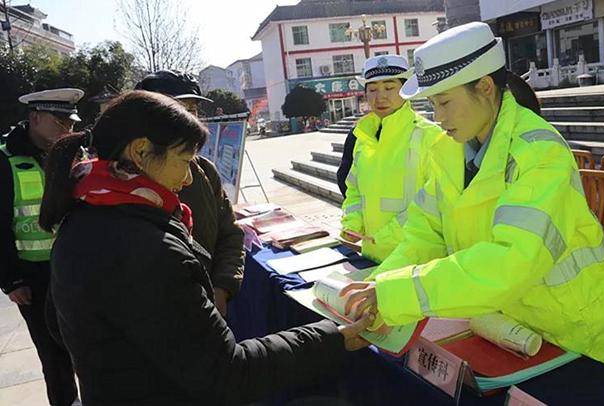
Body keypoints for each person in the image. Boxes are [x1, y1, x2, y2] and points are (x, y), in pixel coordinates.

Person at [341, 22, 604, 375]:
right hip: (509, 332)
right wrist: (378, 290)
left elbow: (510, 260)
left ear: (484, 87)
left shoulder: (539, 152)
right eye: (434, 105)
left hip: (577, 338)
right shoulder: (449, 151)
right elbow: (424, 234)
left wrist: (396, 295)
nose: (440, 118)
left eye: (446, 102)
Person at [39, 90, 372, 405]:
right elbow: (229, 374)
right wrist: (333, 337)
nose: (187, 180)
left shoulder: (81, 214)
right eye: (184, 161)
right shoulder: (150, 250)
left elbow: (57, 325)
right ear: (140, 151)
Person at [135, 70, 244, 315]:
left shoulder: (205, 171)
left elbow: (230, 234)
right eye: (177, 111)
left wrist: (221, 288)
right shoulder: (123, 185)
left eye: (192, 111)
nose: (188, 120)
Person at [0, 88, 82, 405]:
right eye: (60, 121)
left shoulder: (73, 154)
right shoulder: (5, 160)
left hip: (76, 271)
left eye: (71, 122)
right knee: (54, 357)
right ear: (35, 118)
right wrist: (11, 280)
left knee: (89, 346)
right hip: (33, 279)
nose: (68, 129)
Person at [339, 55, 446, 263]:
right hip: (373, 254)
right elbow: (354, 190)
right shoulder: (364, 137)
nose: (380, 97)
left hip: (415, 259)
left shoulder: (430, 137)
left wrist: (384, 237)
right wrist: (352, 224)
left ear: (407, 90)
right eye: (372, 90)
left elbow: (432, 205)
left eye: (389, 88)